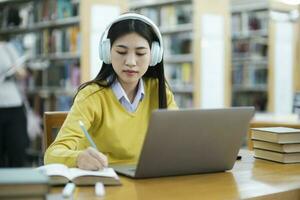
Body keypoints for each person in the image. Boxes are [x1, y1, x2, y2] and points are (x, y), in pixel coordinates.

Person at [44, 13, 178, 170]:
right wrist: (78, 158)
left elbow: (179, 141)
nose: (131, 62)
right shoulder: (91, 96)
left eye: (140, 53)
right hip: (104, 181)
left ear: (154, 55)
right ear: (107, 52)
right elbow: (52, 155)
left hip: (145, 181)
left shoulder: (160, 91)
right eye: (121, 52)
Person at [0, 41, 29, 167]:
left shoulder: (7, 48)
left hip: (14, 107)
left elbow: (22, 73)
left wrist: (15, 71)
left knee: (17, 152)